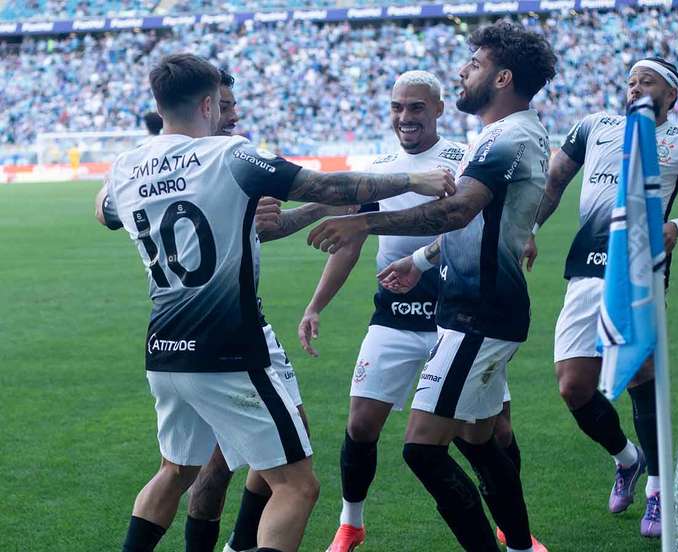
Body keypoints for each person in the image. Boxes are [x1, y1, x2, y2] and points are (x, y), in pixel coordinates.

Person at [94, 53, 454, 552]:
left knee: (175, 471)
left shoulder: (127, 165)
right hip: (227, 347)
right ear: (206, 104)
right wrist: (413, 179)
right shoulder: (230, 154)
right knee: (297, 485)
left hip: (164, 349)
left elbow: (105, 210)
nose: (229, 115)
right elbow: (326, 185)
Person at [308, 20, 556, 552]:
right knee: (479, 436)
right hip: (473, 310)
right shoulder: (499, 135)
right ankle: (518, 544)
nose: (464, 71)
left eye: (475, 64)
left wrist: (365, 224)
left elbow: (458, 208)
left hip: (478, 314)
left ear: (502, 76)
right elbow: (468, 225)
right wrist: (421, 260)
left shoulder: (507, 138)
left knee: (422, 448)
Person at [523, 57, 678, 538]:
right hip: (585, 269)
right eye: (630, 81)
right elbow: (553, 182)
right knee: (573, 386)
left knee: (640, 374)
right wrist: (530, 228)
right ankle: (627, 460)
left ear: (671, 95)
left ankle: (654, 490)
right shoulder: (593, 127)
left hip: (638, 273)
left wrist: (676, 226)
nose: (634, 89)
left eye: (646, 82)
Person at [295, 70, 476, 552]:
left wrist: (420, 261)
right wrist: (316, 306)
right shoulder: (381, 167)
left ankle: (508, 525)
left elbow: (466, 226)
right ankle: (351, 524)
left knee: (481, 431)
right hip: (394, 312)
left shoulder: (461, 158)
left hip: (456, 315)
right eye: (397, 107)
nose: (405, 117)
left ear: (438, 109)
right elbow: (350, 240)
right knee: (360, 423)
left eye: (416, 107)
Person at [183, 68, 355, 552]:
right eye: (225, 105)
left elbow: (263, 232)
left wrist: (316, 212)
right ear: (203, 108)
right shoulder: (200, 166)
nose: (234, 114)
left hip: (251, 328)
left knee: (284, 440)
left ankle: (241, 544)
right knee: (219, 466)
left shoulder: (237, 160)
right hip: (219, 333)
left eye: (235, 105)